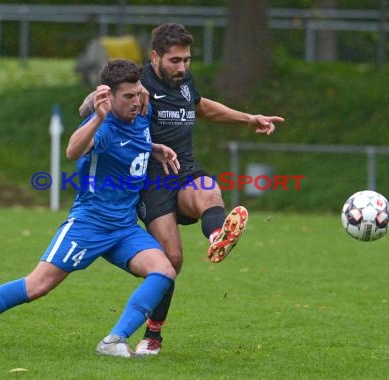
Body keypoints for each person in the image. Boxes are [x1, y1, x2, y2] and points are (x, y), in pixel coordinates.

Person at [0, 59, 180, 358]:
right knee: (38, 285)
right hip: (89, 224)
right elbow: (73, 150)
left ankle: (114, 340)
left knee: (164, 270)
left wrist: (153, 148)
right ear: (108, 97)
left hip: (124, 228)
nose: (137, 101)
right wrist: (97, 118)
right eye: (128, 96)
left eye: (138, 93)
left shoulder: (141, 110)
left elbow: (136, 134)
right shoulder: (102, 127)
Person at [79, 23, 285, 356]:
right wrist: (95, 97)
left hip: (184, 168)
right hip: (151, 181)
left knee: (210, 191)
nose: (182, 67)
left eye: (186, 60)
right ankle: (152, 335)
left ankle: (219, 235)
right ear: (155, 56)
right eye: (175, 60)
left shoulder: (184, 82)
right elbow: (95, 102)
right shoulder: (139, 83)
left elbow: (200, 107)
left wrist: (248, 118)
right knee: (171, 259)